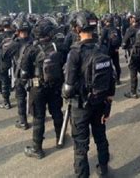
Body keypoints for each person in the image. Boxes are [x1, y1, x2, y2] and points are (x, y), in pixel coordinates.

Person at [62, 10, 116, 177]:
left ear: (78, 28)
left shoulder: (75, 53)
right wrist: (108, 103)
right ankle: (104, 169)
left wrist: (65, 94)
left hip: (81, 106)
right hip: (100, 102)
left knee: (80, 146)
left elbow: (69, 87)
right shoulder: (103, 48)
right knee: (100, 137)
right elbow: (111, 77)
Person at [24, 17, 65, 159]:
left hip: (37, 87)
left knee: (38, 117)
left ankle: (37, 149)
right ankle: (60, 139)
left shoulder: (32, 49)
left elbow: (24, 72)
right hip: (54, 86)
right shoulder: (58, 46)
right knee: (57, 112)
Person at [122, 12, 140, 98]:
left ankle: (133, 92)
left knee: (133, 72)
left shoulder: (131, 29)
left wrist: (126, 47)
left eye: (131, 18)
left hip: (134, 54)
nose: (130, 19)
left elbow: (124, 43)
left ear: (133, 19)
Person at [99, 14, 122, 85]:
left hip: (107, 50)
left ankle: (110, 81)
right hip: (115, 50)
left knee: (108, 66)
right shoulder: (116, 29)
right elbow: (120, 39)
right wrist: (117, 47)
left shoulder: (104, 29)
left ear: (106, 21)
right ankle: (118, 80)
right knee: (117, 65)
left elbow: (101, 41)